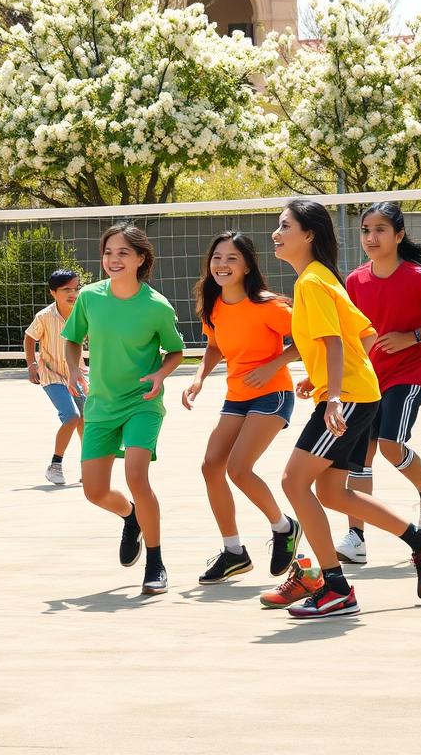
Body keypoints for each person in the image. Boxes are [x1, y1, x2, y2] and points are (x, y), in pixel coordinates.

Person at [273, 200, 421, 619]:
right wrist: (322, 379)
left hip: (347, 398)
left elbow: (336, 341)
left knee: (294, 483)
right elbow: (364, 335)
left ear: (309, 235)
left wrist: (334, 393)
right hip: (357, 393)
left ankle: (335, 589)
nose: (276, 234)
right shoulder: (328, 280)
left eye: (284, 226)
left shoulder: (313, 284)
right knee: (332, 492)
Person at [334, 202, 421, 564]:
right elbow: (354, 332)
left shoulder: (417, 277)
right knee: (360, 458)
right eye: (365, 231)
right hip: (367, 380)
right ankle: (356, 538)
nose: (371, 237)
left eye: (380, 230)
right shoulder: (355, 280)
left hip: (407, 375)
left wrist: (414, 335)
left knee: (391, 444)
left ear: (399, 234)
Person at [63, 223, 185, 596]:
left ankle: (156, 562)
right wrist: (72, 369)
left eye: (123, 253)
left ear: (140, 259)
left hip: (141, 404)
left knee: (136, 474)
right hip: (100, 404)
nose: (113, 260)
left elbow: (176, 351)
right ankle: (131, 516)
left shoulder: (156, 306)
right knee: (95, 492)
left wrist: (161, 375)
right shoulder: (89, 297)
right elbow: (71, 339)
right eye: (108, 252)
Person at [182, 232, 301, 583]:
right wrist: (199, 377)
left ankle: (284, 528)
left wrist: (273, 364)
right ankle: (234, 552)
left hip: (273, 392)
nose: (222, 264)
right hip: (237, 394)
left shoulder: (270, 306)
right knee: (210, 466)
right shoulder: (214, 304)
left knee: (239, 468)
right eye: (217, 257)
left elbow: (312, 337)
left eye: (232, 258)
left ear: (247, 265)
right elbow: (215, 346)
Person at [25, 269, 85, 485]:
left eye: (75, 288)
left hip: (77, 374)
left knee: (86, 421)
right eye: (66, 289)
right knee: (71, 416)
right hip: (51, 374)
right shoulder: (44, 316)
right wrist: (32, 364)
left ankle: (87, 468)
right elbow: (30, 337)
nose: (73, 293)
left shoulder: (82, 312)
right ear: (53, 293)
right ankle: (55, 465)